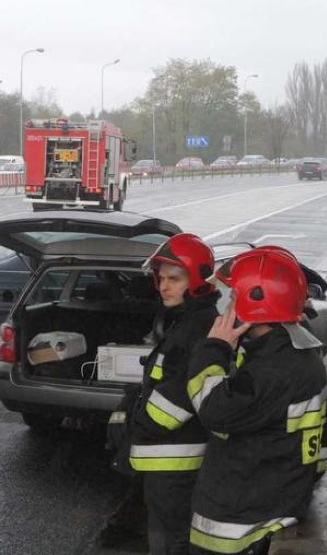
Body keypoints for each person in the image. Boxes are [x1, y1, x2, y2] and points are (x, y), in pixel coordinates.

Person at [186, 247, 327, 555]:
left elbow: (214, 410)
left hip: (240, 524)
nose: (227, 305)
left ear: (254, 301)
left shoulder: (270, 370)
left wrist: (214, 348)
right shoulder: (297, 353)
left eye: (232, 296)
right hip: (273, 504)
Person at [108, 233, 220, 554]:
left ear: (197, 280)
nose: (163, 286)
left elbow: (169, 408)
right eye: (160, 278)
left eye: (174, 278)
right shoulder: (188, 321)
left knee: (170, 542)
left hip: (175, 467)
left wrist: (132, 426)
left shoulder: (196, 329)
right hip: (169, 465)